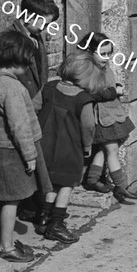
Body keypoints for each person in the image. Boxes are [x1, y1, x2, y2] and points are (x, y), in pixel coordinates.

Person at [0, 0, 60, 222]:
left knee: (37, 159)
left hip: (33, 106)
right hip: (18, 107)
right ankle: (33, 209)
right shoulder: (9, 39)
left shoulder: (36, 37)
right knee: (26, 161)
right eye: (43, 22)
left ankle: (33, 208)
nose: (45, 28)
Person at [0, 31, 53, 262]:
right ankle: (6, 246)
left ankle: (6, 241)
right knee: (11, 200)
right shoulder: (12, 88)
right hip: (11, 152)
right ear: (17, 61)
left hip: (1, 149)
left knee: (8, 199)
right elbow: (19, 125)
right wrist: (30, 155)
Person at [34, 53, 96, 244]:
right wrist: (87, 146)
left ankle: (44, 216)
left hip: (45, 144)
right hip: (70, 148)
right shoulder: (83, 99)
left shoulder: (49, 87)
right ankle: (57, 224)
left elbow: (33, 108)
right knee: (67, 184)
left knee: (51, 182)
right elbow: (88, 126)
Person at [76, 33, 137, 204]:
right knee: (111, 150)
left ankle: (92, 179)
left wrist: (116, 86)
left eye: (109, 53)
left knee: (106, 149)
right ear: (90, 51)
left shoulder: (104, 66)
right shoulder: (86, 69)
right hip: (101, 116)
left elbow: (107, 83)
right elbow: (92, 92)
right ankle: (121, 186)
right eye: (102, 54)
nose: (106, 57)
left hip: (112, 113)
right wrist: (114, 92)